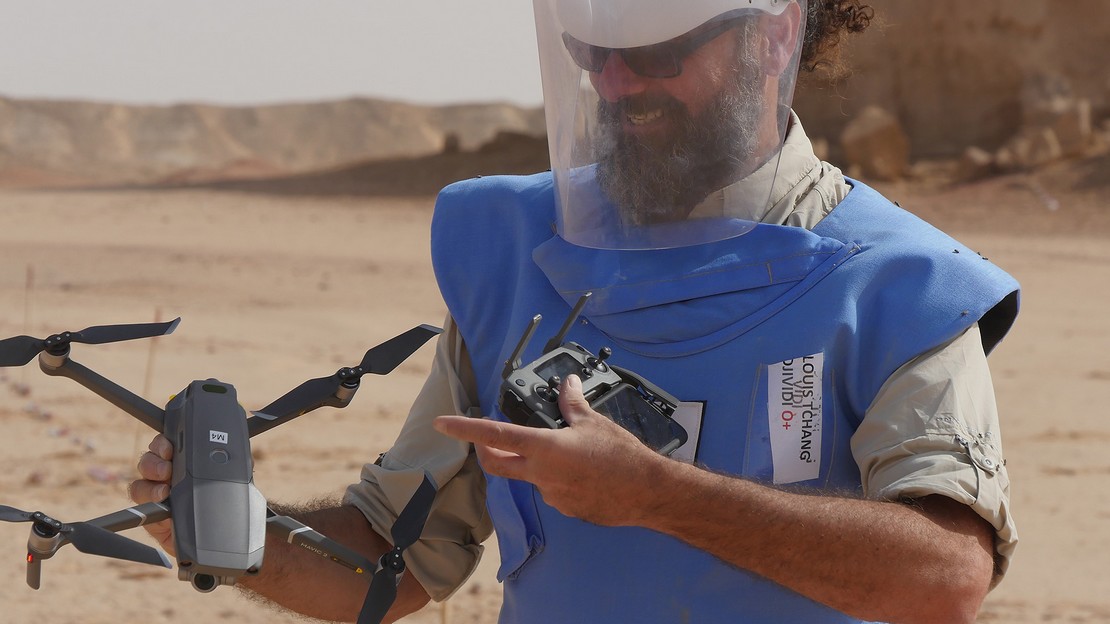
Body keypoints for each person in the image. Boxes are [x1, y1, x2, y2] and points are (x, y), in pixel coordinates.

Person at [131, 1, 1020, 622]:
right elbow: (394, 558)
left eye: (660, 55)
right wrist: (230, 530)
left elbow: (944, 577)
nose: (620, 87)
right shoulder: (517, 258)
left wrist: (658, 497)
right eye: (595, 57)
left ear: (776, 35)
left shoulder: (902, 287)